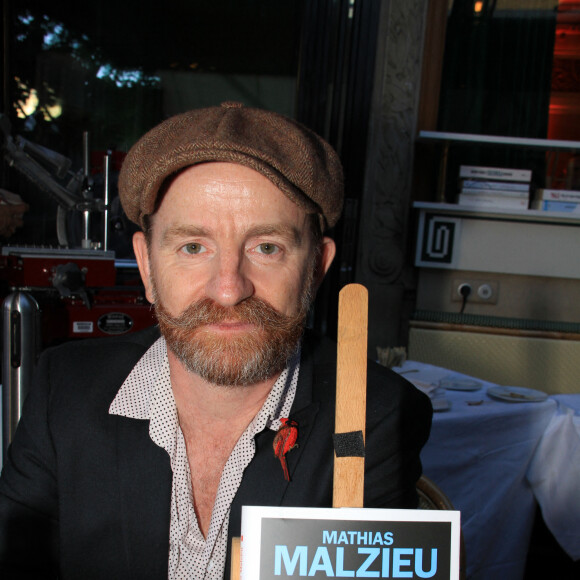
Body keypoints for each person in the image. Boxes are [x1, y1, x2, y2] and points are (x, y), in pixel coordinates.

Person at [0, 102, 432, 579]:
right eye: (192, 247)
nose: (228, 288)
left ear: (316, 268)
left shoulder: (377, 417)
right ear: (146, 266)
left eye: (266, 247)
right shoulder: (64, 389)